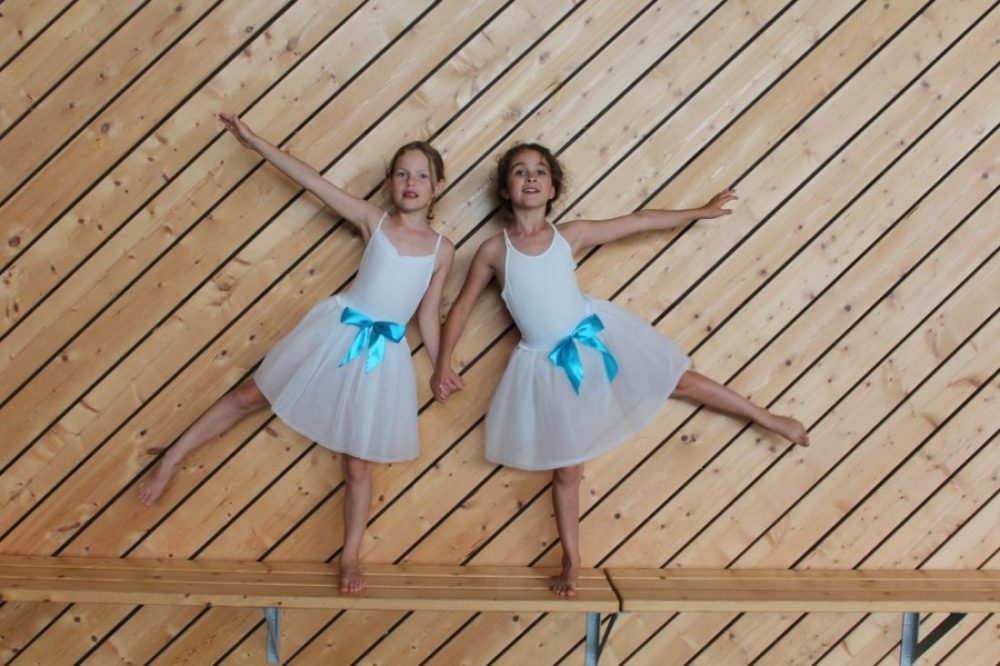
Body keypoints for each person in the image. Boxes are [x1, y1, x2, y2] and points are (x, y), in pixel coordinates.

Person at [432, 143, 807, 596]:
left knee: (680, 379)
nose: (530, 178)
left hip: (595, 337)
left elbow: (640, 220)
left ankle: (767, 417)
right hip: (547, 367)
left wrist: (699, 211)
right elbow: (461, 308)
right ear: (506, 190)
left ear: (552, 188)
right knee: (567, 472)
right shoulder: (494, 251)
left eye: (540, 171)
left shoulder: (570, 235)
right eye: (520, 172)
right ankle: (572, 558)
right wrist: (442, 364)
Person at [139, 113, 454, 594]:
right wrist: (255, 141)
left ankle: (349, 557)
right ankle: (172, 458)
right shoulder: (375, 221)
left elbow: (428, 314)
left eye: (422, 176)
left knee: (357, 464)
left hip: (381, 356)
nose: (411, 183)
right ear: (391, 182)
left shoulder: (442, 250)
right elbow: (314, 182)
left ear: (438, 187)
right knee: (249, 396)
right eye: (402, 174)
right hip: (337, 331)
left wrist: (441, 367)